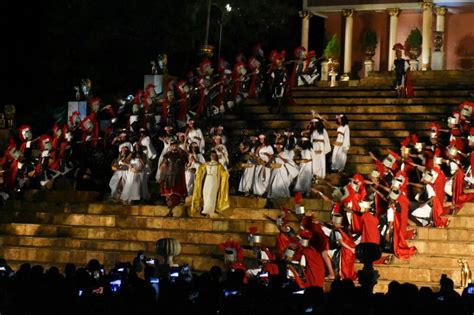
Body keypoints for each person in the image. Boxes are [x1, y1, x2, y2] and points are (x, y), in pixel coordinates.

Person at [191, 150, 230, 217]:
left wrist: (226, 173)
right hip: (207, 180)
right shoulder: (206, 164)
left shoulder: (219, 165)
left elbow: (224, 173)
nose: (213, 156)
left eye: (214, 155)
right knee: (205, 193)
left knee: (212, 194)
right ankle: (205, 209)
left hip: (214, 180)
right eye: (212, 155)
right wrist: (195, 162)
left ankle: (211, 209)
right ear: (210, 156)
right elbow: (200, 168)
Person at [158, 139, 188, 216]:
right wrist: (161, 176)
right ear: (171, 146)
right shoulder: (167, 154)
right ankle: (170, 210)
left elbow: (186, 162)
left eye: (175, 145)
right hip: (168, 175)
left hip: (178, 176)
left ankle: (176, 211)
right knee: (168, 194)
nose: (174, 146)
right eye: (172, 145)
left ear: (177, 145)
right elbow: (163, 165)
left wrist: (182, 151)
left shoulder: (181, 154)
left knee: (177, 194)